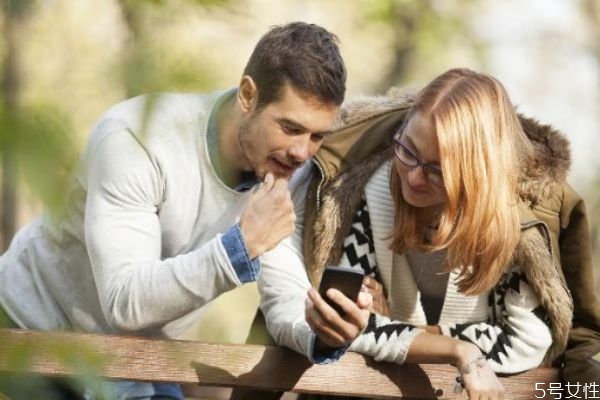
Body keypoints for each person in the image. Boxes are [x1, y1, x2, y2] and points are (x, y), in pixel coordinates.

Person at [0, 21, 347, 399]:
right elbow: (125, 301)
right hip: (33, 337)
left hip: (139, 362)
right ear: (248, 95)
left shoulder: (286, 169)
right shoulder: (137, 141)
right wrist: (239, 249)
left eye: (317, 136)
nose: (301, 151)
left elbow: (284, 296)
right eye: (290, 127)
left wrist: (322, 330)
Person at [258, 68, 579, 400]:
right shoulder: (366, 197)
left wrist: (416, 335)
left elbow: (525, 343)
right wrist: (457, 350)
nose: (413, 177)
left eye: (437, 170)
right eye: (407, 150)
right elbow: (345, 325)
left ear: (477, 175)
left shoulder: (515, 229)